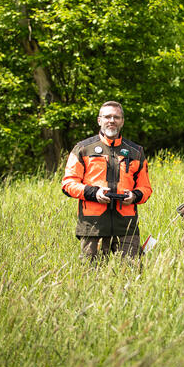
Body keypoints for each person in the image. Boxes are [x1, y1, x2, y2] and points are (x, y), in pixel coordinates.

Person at [62, 101, 152, 262]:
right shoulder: (82, 149)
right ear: (99, 120)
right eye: (107, 117)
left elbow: (146, 188)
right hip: (93, 226)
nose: (112, 120)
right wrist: (93, 192)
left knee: (131, 275)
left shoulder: (136, 152)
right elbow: (68, 184)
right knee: (92, 277)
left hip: (126, 226)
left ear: (122, 121)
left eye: (116, 117)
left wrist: (134, 195)